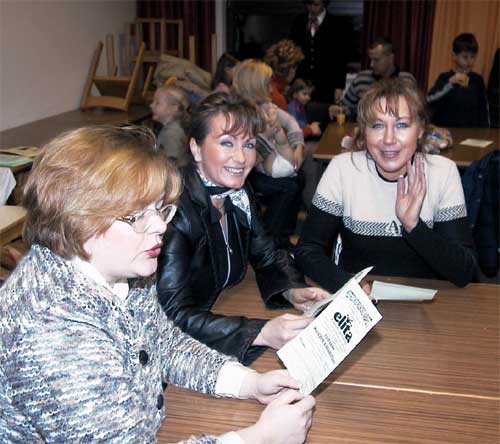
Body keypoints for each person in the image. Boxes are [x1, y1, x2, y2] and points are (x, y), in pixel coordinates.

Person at [0, 125, 316, 443]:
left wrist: (247, 383)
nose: (160, 226)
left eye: (159, 209)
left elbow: (163, 343)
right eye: (137, 215)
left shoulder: (123, 267)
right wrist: (259, 438)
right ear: (78, 219)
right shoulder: (51, 330)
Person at [156, 93, 329, 366]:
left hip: (222, 309)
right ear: (196, 149)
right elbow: (171, 315)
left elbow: (266, 254)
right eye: (227, 143)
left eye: (248, 144)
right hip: (180, 350)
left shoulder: (237, 191)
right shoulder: (174, 212)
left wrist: (292, 290)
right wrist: (260, 332)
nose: (241, 158)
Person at [295, 78, 477, 294]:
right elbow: (307, 250)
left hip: (425, 303)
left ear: (420, 130)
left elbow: (463, 271)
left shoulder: (442, 172)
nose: (389, 139)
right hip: (357, 301)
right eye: (378, 125)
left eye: (401, 125)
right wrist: (347, 286)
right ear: (365, 131)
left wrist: (413, 227)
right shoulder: (343, 169)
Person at [232, 59, 306, 247]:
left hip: (264, 165)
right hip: (248, 172)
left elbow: (291, 122)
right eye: (267, 84)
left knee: (300, 178)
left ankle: (283, 236)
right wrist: (268, 135)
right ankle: (267, 241)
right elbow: (250, 157)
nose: (271, 89)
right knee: (288, 187)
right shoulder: (241, 113)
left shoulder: (266, 106)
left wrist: (298, 147)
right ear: (254, 86)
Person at [336, 37, 416, 120]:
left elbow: (416, 112)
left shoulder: (407, 80)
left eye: (376, 60)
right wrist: (340, 110)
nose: (371, 65)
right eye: (371, 60)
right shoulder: (361, 79)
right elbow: (347, 108)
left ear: (391, 58)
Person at [290, 0, 353, 103]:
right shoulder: (299, 21)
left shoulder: (337, 24)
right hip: (301, 82)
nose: (312, 8)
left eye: (316, 4)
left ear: (324, 3)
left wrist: (339, 86)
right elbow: (293, 52)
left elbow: (340, 58)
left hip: (326, 82)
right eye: (309, 4)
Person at [427, 33, 490, 128]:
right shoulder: (445, 77)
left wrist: (485, 131)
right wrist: (449, 84)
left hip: (471, 132)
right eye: (465, 57)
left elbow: (483, 109)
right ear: (454, 56)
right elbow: (430, 99)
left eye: (472, 57)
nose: (469, 61)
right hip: (446, 130)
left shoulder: (477, 80)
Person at [150, 84, 190, 165]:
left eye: (157, 103)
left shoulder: (171, 134)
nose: (151, 105)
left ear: (174, 108)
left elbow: (171, 163)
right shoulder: (173, 128)